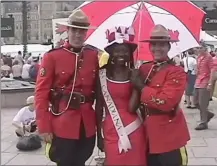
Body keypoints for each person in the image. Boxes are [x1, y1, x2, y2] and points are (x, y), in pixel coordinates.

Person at [35, 9, 99, 166]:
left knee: (82, 159)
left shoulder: (92, 55)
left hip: (87, 123)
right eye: (74, 30)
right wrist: (44, 126)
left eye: (82, 31)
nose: (78, 35)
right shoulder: (52, 57)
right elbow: (41, 93)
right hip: (62, 122)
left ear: (86, 33)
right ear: (67, 30)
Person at [130, 24, 190, 166]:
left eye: (162, 44)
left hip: (169, 137)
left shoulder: (176, 72)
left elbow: (166, 102)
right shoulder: (144, 68)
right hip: (147, 135)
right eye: (154, 44)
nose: (157, 48)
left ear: (169, 47)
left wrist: (141, 86)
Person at [95, 26, 146, 165]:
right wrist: (98, 135)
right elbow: (99, 106)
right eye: (117, 50)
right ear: (111, 53)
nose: (121, 54)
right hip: (111, 129)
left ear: (130, 54)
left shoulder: (134, 74)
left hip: (134, 128)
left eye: (125, 51)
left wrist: (136, 85)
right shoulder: (101, 74)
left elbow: (132, 108)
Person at [194, 42, 215, 130]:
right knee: (195, 102)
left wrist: (210, 83)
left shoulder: (208, 57)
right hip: (198, 80)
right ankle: (208, 114)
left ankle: (203, 122)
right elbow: (198, 69)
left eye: (200, 48)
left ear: (204, 48)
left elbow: (212, 70)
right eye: (197, 48)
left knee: (203, 104)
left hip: (205, 81)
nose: (198, 50)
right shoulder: (199, 57)